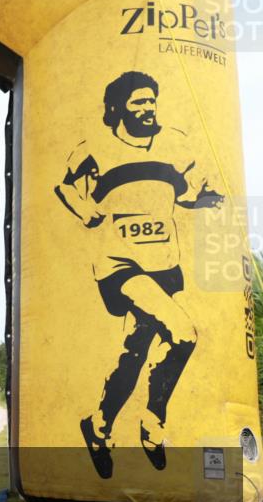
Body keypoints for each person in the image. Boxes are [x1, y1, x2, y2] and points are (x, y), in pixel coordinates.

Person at [54, 71, 222, 479]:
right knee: (184, 333)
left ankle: (98, 425)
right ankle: (153, 422)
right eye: (138, 103)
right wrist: (85, 210)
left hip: (164, 264)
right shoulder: (96, 147)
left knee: (133, 353)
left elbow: (183, 194)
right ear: (118, 108)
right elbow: (66, 186)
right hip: (119, 265)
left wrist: (203, 200)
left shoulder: (174, 143)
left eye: (151, 101)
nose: (148, 109)